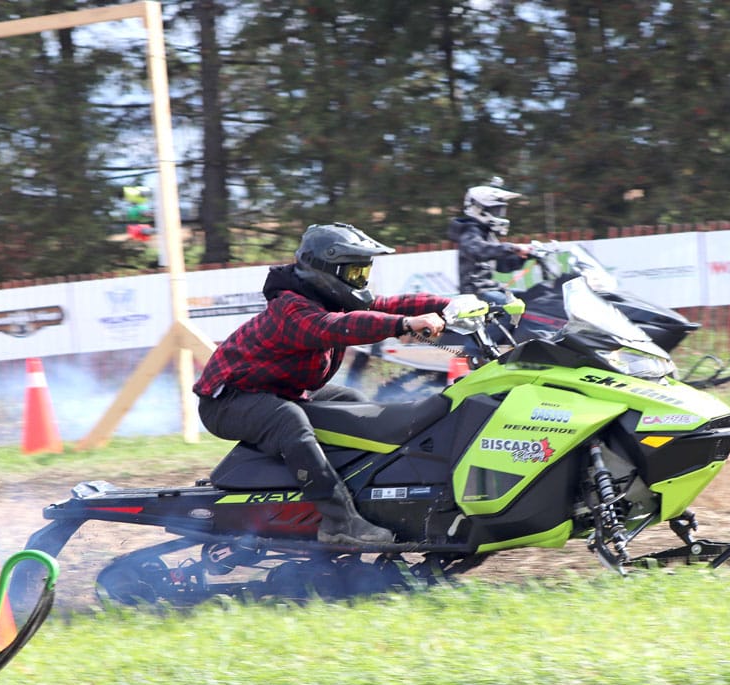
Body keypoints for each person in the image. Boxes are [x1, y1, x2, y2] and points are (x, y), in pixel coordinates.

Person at [193, 222, 450, 546]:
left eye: (364, 272)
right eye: (354, 272)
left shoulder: (331, 297)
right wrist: (404, 324)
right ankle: (339, 522)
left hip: (281, 391)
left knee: (354, 406)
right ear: (326, 270)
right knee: (288, 420)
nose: (361, 281)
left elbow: (384, 305)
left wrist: (449, 305)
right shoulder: (291, 308)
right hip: (228, 400)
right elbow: (336, 327)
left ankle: (367, 501)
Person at [447, 181, 532, 356]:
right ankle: (476, 354)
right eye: (496, 210)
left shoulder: (486, 233)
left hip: (488, 288)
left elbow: (502, 265)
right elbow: (479, 250)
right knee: (508, 308)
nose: (499, 214)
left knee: (530, 299)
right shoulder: (469, 230)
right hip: (475, 291)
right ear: (479, 208)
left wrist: (526, 256)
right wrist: (513, 247)